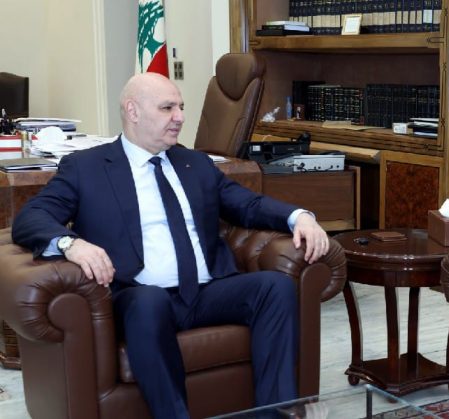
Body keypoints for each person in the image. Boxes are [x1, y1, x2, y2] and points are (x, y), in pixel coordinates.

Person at [11, 72, 330, 419]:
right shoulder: (87, 168)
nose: (179, 117)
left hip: (206, 290)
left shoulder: (195, 163)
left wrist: (298, 217)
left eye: (181, 107)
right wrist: (71, 244)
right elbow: (31, 217)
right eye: (167, 108)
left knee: (275, 287)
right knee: (150, 302)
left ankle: (274, 415)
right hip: (137, 295)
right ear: (133, 111)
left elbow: (247, 204)